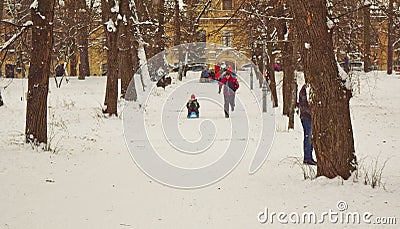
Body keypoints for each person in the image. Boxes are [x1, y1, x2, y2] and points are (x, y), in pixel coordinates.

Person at [298, 84, 317, 165]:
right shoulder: (304, 90)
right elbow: (304, 106)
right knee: (308, 136)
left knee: (311, 136)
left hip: (310, 116)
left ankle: (309, 156)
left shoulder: (311, 89)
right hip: (306, 117)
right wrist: (312, 111)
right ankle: (307, 158)